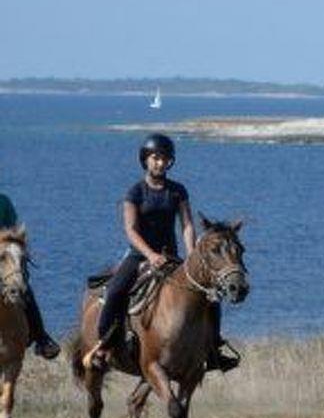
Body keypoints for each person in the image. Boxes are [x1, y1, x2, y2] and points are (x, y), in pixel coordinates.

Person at [87, 133, 237, 371]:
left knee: (211, 295)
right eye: (155, 158)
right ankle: (104, 346)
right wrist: (150, 255)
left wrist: (192, 254)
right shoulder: (135, 192)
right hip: (139, 256)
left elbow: (187, 225)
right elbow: (131, 230)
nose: (160, 163)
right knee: (115, 291)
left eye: (165, 159)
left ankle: (213, 348)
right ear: (145, 160)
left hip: (171, 257)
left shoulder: (178, 191)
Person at [0, 174, 61, 359]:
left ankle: (41, 338)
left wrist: (13, 244)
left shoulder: (3, 202)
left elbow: (12, 231)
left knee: (23, 288)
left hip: (2, 256)